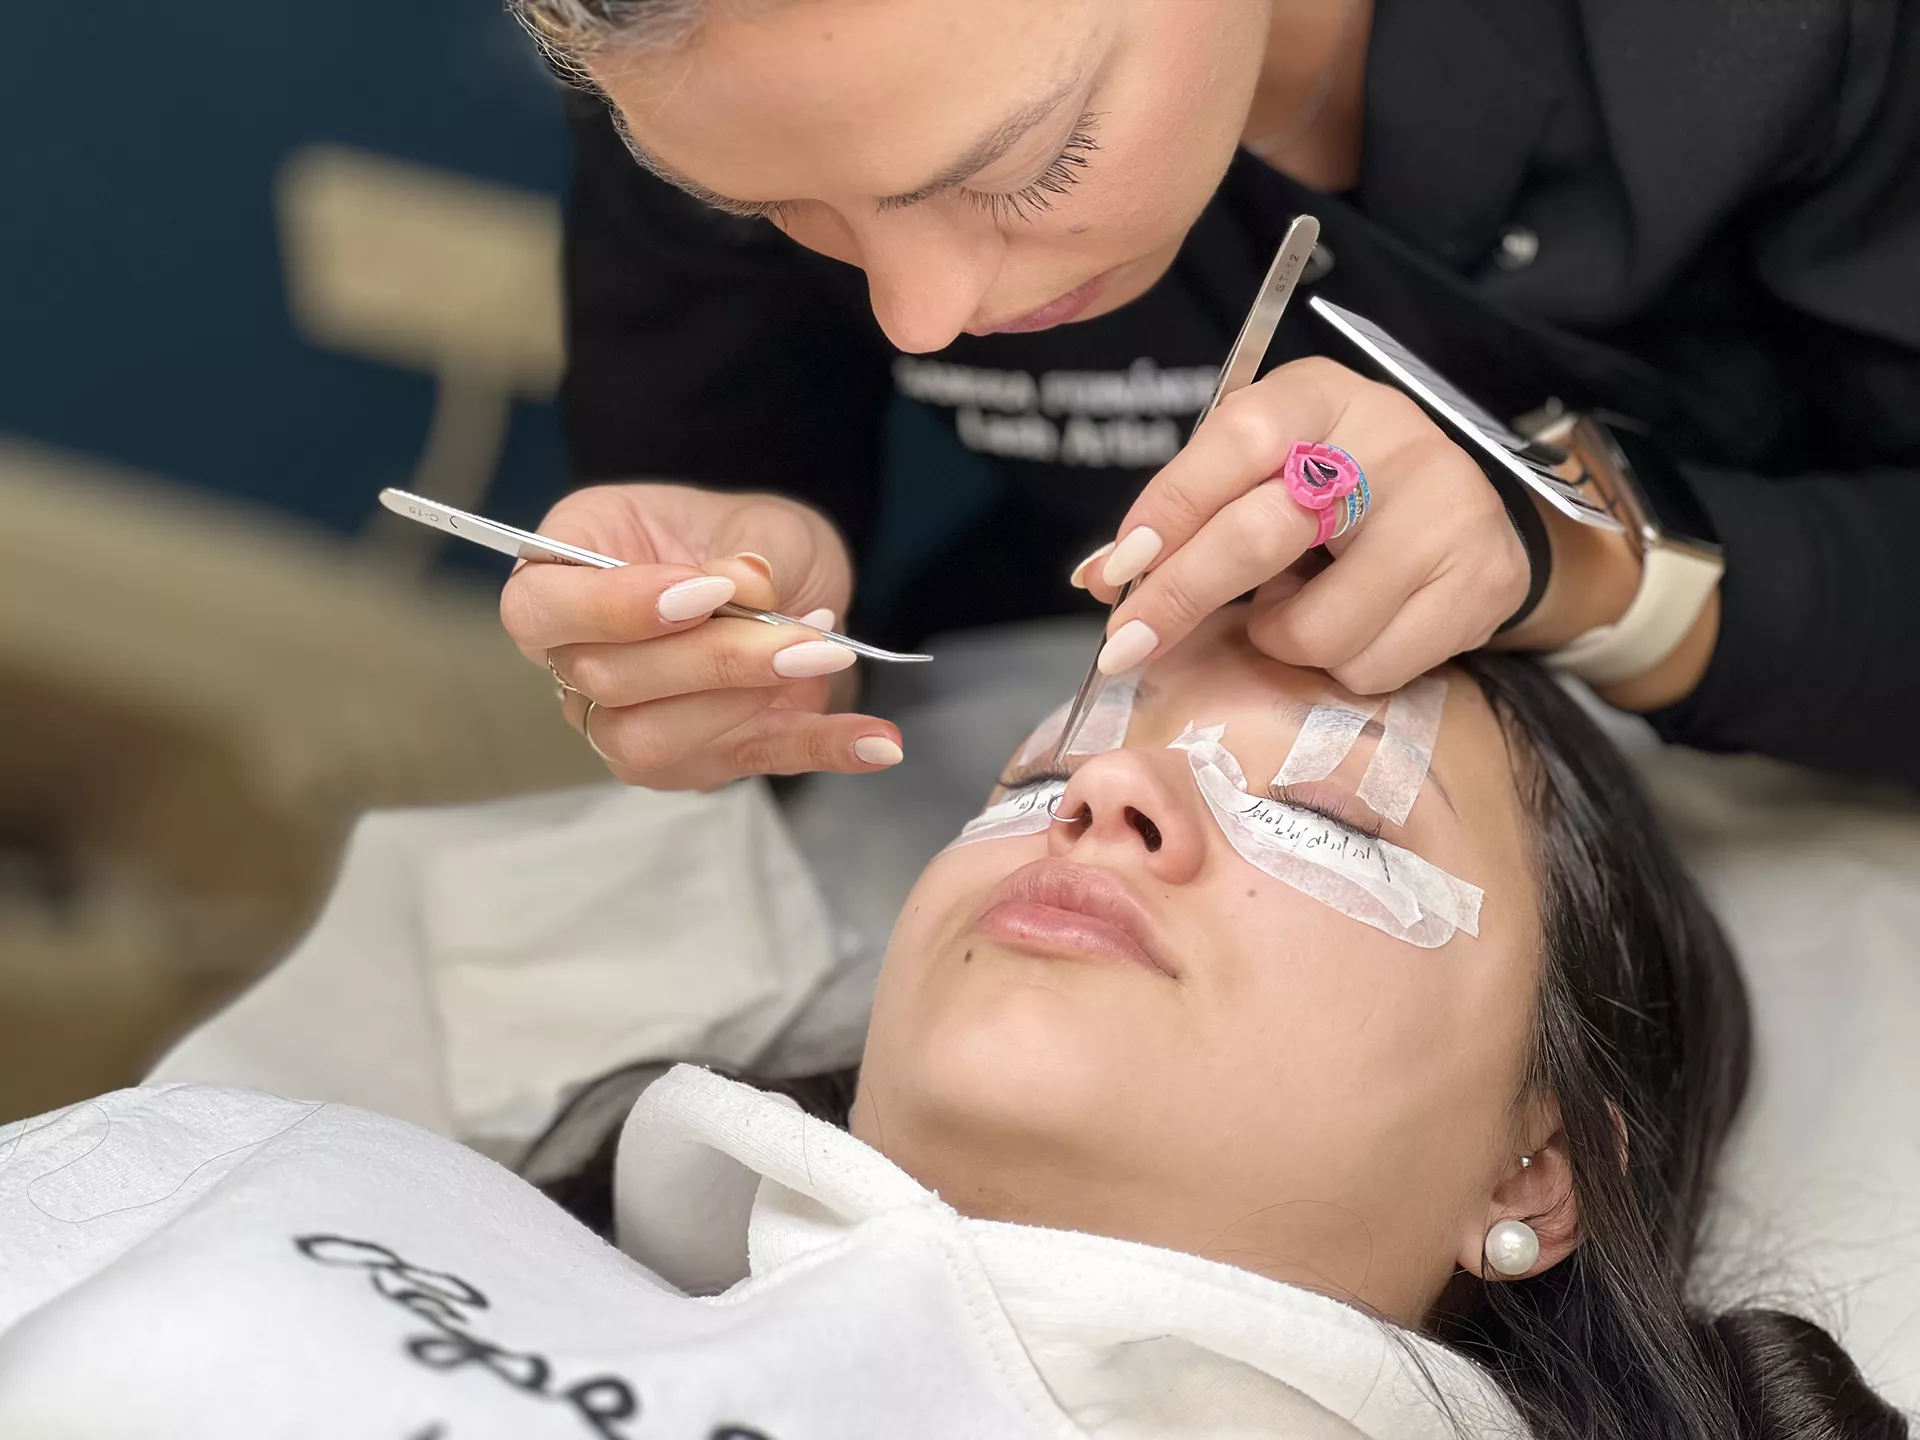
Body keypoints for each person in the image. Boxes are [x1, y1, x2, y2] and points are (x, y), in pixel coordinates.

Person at [0, 623, 1904, 1435]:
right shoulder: (291, 1167)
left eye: (1328, 817)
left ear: (1536, 1164)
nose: (1099, 801)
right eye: (1064, 749)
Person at [500, 0, 1920, 791]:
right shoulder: (713, 51)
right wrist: (737, 639)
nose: (920, 312)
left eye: (1026, 167)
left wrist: (1589, 570)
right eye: (783, 208)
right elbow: (745, 526)